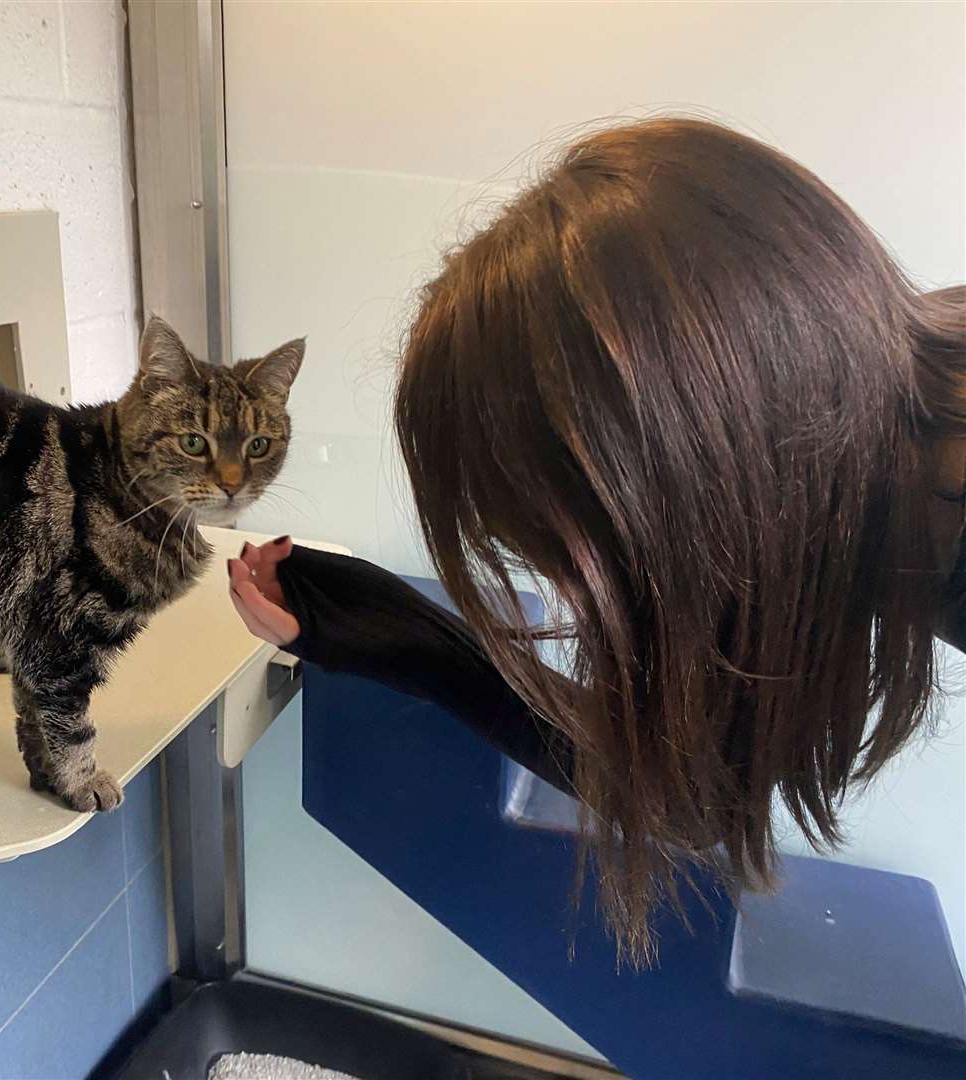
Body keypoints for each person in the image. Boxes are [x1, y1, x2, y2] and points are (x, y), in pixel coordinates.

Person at [226, 118, 965, 965]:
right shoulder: (853, 452)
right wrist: (412, 640)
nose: (583, 598)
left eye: (587, 557)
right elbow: (691, 791)